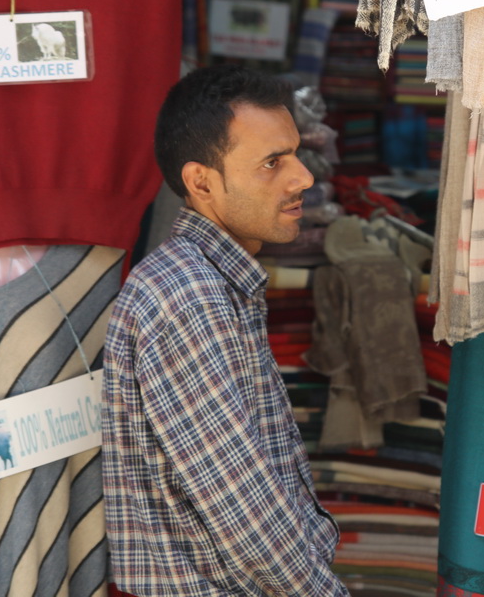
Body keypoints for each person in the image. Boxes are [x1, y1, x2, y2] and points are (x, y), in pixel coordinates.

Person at [102, 65, 349, 596]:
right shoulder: (188, 296)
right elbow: (244, 510)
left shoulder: (210, 280)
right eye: (271, 163)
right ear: (201, 183)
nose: (303, 177)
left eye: (296, 154)